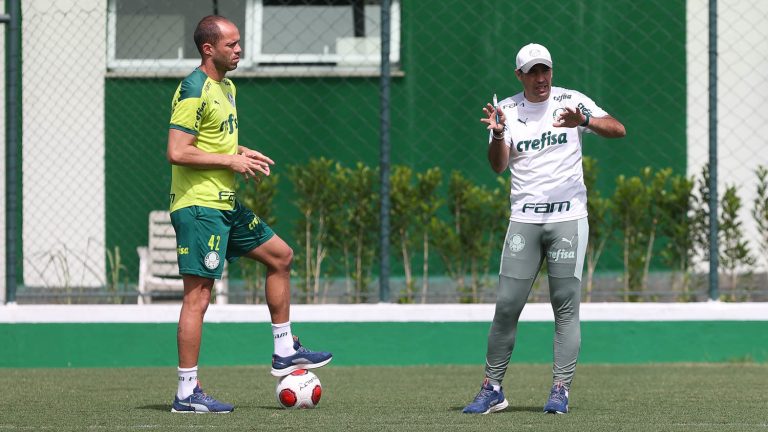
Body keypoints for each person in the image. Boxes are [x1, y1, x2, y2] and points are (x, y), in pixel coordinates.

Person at [166, 15, 332, 413]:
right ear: (208, 49)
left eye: (239, 43)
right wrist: (230, 160)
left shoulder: (227, 87)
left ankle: (284, 350)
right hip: (199, 207)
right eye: (231, 45)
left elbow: (210, 141)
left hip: (225, 203)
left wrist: (239, 151)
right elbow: (177, 150)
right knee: (198, 297)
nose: (239, 50)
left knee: (281, 256)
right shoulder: (193, 88)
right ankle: (186, 393)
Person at [462, 43, 626, 415]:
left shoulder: (572, 101)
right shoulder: (506, 110)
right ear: (519, 75)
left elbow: (618, 129)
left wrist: (584, 121)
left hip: (568, 219)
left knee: (565, 306)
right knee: (507, 305)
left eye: (545, 70)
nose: (541, 78)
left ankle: (560, 390)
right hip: (524, 220)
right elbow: (498, 166)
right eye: (532, 72)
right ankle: (492, 389)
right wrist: (499, 135)